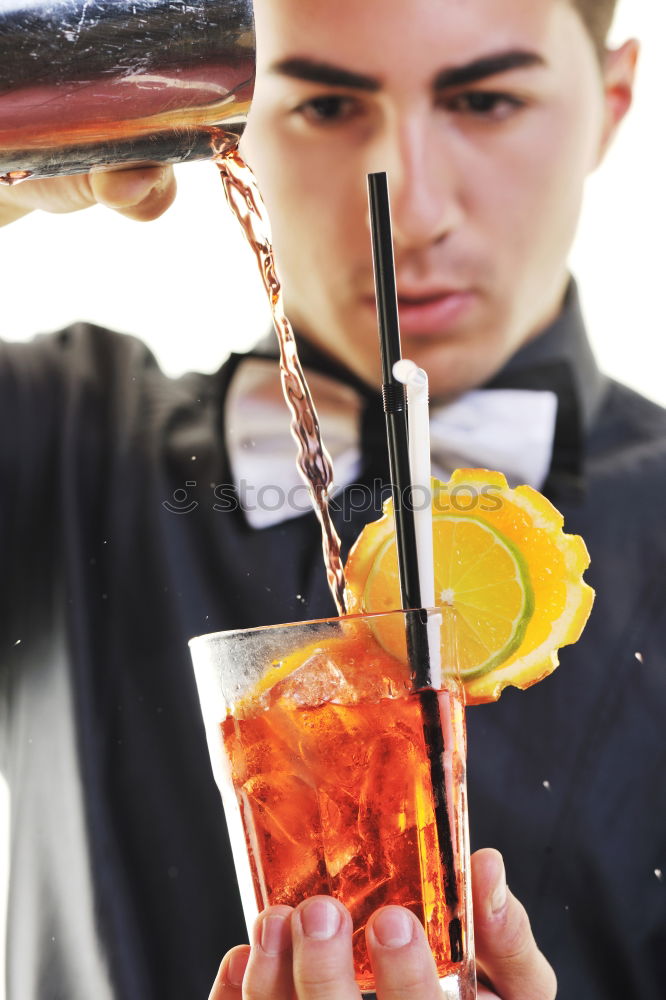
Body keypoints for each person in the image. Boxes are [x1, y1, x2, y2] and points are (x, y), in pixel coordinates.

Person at [0, 0, 664, 998]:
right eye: (322, 105)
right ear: (228, 117)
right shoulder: (59, 439)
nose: (415, 207)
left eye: (484, 98)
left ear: (613, 103)